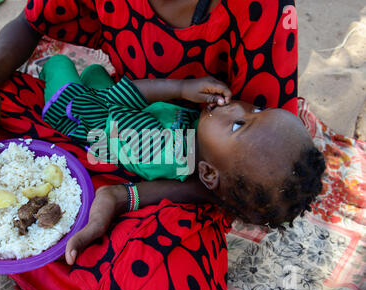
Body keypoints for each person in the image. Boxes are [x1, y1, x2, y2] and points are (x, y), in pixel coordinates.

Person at [0, 0, 303, 290]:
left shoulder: (261, 11)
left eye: (243, 118)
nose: (238, 109)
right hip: (98, 118)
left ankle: (68, 266)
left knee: (153, 283)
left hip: (178, 193)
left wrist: (125, 196)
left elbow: (257, 172)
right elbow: (30, 22)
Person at [39, 55, 325, 265]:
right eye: (258, 109)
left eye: (239, 125)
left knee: (60, 64)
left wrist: (178, 88)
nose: (238, 105)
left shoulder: (158, 148)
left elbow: (118, 101)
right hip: (118, 110)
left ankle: (45, 77)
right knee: (95, 70)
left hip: (83, 117)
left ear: (209, 173)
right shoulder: (206, 157)